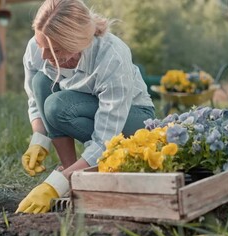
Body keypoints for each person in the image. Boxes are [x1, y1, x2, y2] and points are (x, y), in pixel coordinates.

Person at [16, 0, 155, 213]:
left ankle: (73, 176)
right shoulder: (38, 49)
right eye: (40, 44)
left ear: (76, 44)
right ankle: (72, 174)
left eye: (54, 50)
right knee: (41, 82)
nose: (43, 55)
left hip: (133, 118)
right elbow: (35, 98)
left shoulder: (112, 57)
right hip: (83, 106)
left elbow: (106, 139)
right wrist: (38, 140)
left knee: (56, 106)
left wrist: (54, 186)